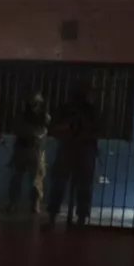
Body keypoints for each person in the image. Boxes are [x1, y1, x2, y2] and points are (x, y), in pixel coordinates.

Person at [45, 85, 101, 228]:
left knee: (65, 184)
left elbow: (55, 128)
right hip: (78, 150)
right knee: (77, 185)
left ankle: (57, 216)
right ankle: (79, 217)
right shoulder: (88, 111)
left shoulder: (72, 109)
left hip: (73, 149)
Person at [7, 93, 51, 216]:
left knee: (36, 179)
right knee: (17, 177)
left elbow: (42, 131)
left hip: (35, 149)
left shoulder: (43, 116)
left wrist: (30, 132)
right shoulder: (23, 114)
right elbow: (18, 128)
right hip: (23, 147)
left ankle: (35, 203)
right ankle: (13, 202)